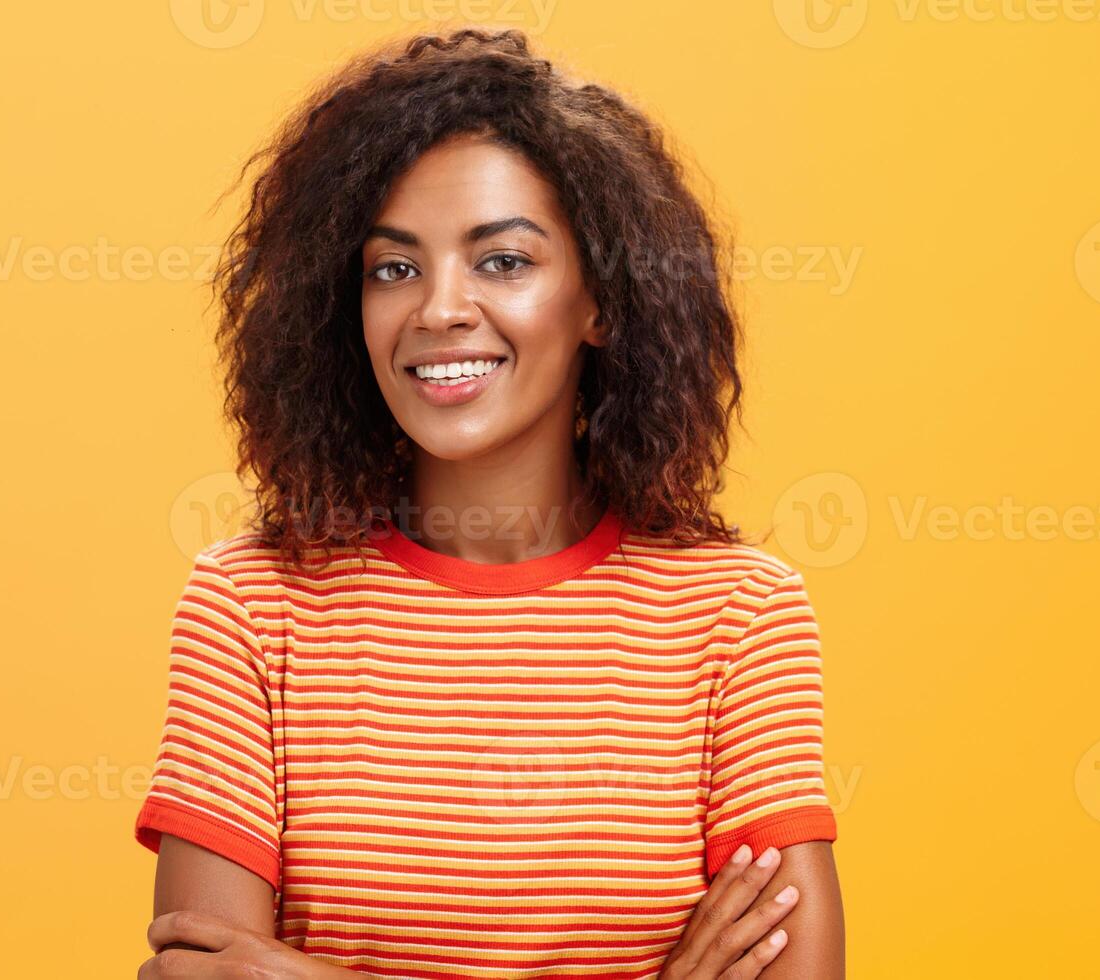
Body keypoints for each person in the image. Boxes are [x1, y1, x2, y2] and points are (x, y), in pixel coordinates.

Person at [134, 29, 843, 978]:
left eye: (502, 262)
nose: (439, 309)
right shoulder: (253, 605)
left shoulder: (737, 616)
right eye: (393, 268)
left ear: (602, 300)